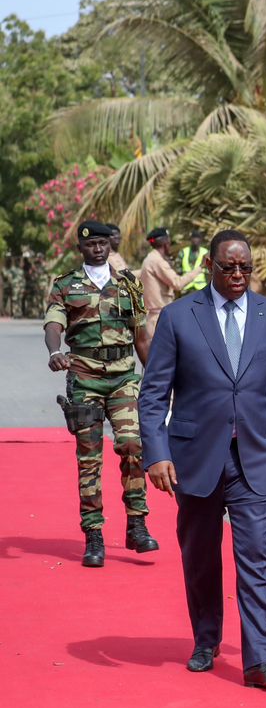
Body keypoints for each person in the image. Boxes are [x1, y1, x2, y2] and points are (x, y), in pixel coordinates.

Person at [139, 228, 266, 689]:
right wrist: (156, 453)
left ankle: (260, 660)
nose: (237, 275)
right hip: (194, 459)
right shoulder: (177, 317)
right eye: (228, 267)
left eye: (245, 268)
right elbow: (153, 393)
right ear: (210, 265)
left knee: (256, 557)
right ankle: (206, 639)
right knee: (201, 557)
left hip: (258, 458)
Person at [44, 220, 156, 567]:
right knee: (89, 459)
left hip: (124, 378)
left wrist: (155, 379)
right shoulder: (66, 284)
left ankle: (137, 525)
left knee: (134, 445)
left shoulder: (128, 284)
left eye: (104, 243)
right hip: (85, 378)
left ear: (111, 245)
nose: (99, 249)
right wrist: (53, 351)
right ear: (81, 247)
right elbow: (53, 325)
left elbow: (141, 336)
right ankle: (94, 535)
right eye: (92, 245)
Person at [139, 227, 200, 337]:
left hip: (156, 317)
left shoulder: (152, 258)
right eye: (169, 242)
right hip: (158, 318)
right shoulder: (157, 261)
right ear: (166, 243)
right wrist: (201, 267)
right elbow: (177, 283)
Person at [176, 229, 209, 294]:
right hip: (186, 287)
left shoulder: (205, 252)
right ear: (190, 239)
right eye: (193, 238)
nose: (195, 240)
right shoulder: (183, 252)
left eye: (197, 238)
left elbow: (210, 271)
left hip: (201, 288)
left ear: (200, 240)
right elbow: (178, 269)